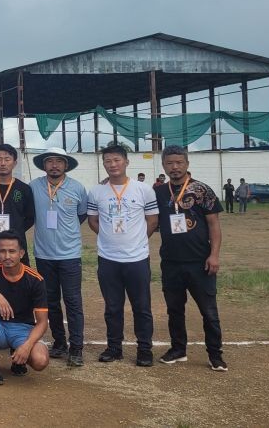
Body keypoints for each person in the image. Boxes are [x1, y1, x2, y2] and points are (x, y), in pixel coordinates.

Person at [151, 146, 227, 371]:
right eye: (170, 163)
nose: (174, 167)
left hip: (199, 261)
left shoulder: (202, 190)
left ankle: (215, 354)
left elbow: (214, 225)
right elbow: (151, 221)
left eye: (179, 163)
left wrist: (214, 255)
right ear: (163, 165)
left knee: (209, 311)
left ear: (187, 164)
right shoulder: (158, 192)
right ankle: (178, 349)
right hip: (171, 262)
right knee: (174, 309)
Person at [87, 145, 158, 366]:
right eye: (107, 161)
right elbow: (93, 221)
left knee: (142, 307)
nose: (112, 164)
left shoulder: (144, 190)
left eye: (117, 160)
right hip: (108, 259)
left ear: (126, 162)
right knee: (113, 307)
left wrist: (137, 240)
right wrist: (108, 238)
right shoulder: (97, 191)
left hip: (137, 259)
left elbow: (153, 221)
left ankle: (144, 349)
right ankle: (114, 347)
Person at [29, 147, 88, 367]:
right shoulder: (34, 187)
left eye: (59, 161)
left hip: (70, 255)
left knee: (73, 302)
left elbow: (81, 214)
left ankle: (77, 348)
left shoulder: (78, 188)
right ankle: (60, 342)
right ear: (44, 165)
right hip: (44, 255)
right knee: (50, 301)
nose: (54, 165)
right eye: (50, 161)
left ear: (66, 165)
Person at [0, 232, 50, 385]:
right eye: (2, 251)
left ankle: (18, 355)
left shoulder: (35, 279)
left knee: (40, 361)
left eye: (12, 251)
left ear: (21, 253)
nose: (7, 256)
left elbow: (42, 322)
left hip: (22, 330)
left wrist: (27, 346)